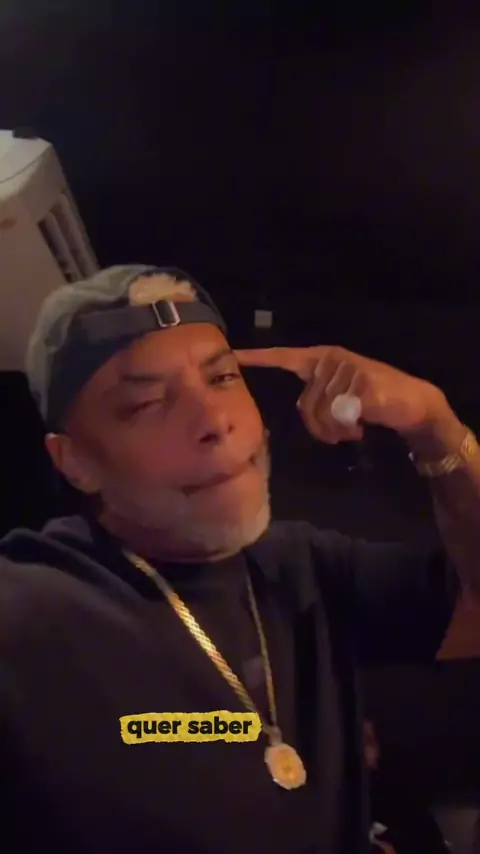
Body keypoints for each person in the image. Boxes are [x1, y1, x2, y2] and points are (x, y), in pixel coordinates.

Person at [1, 264, 479, 854]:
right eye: (147, 403)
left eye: (223, 377)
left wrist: (434, 425)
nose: (214, 421)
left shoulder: (300, 563)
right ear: (75, 461)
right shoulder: (35, 610)